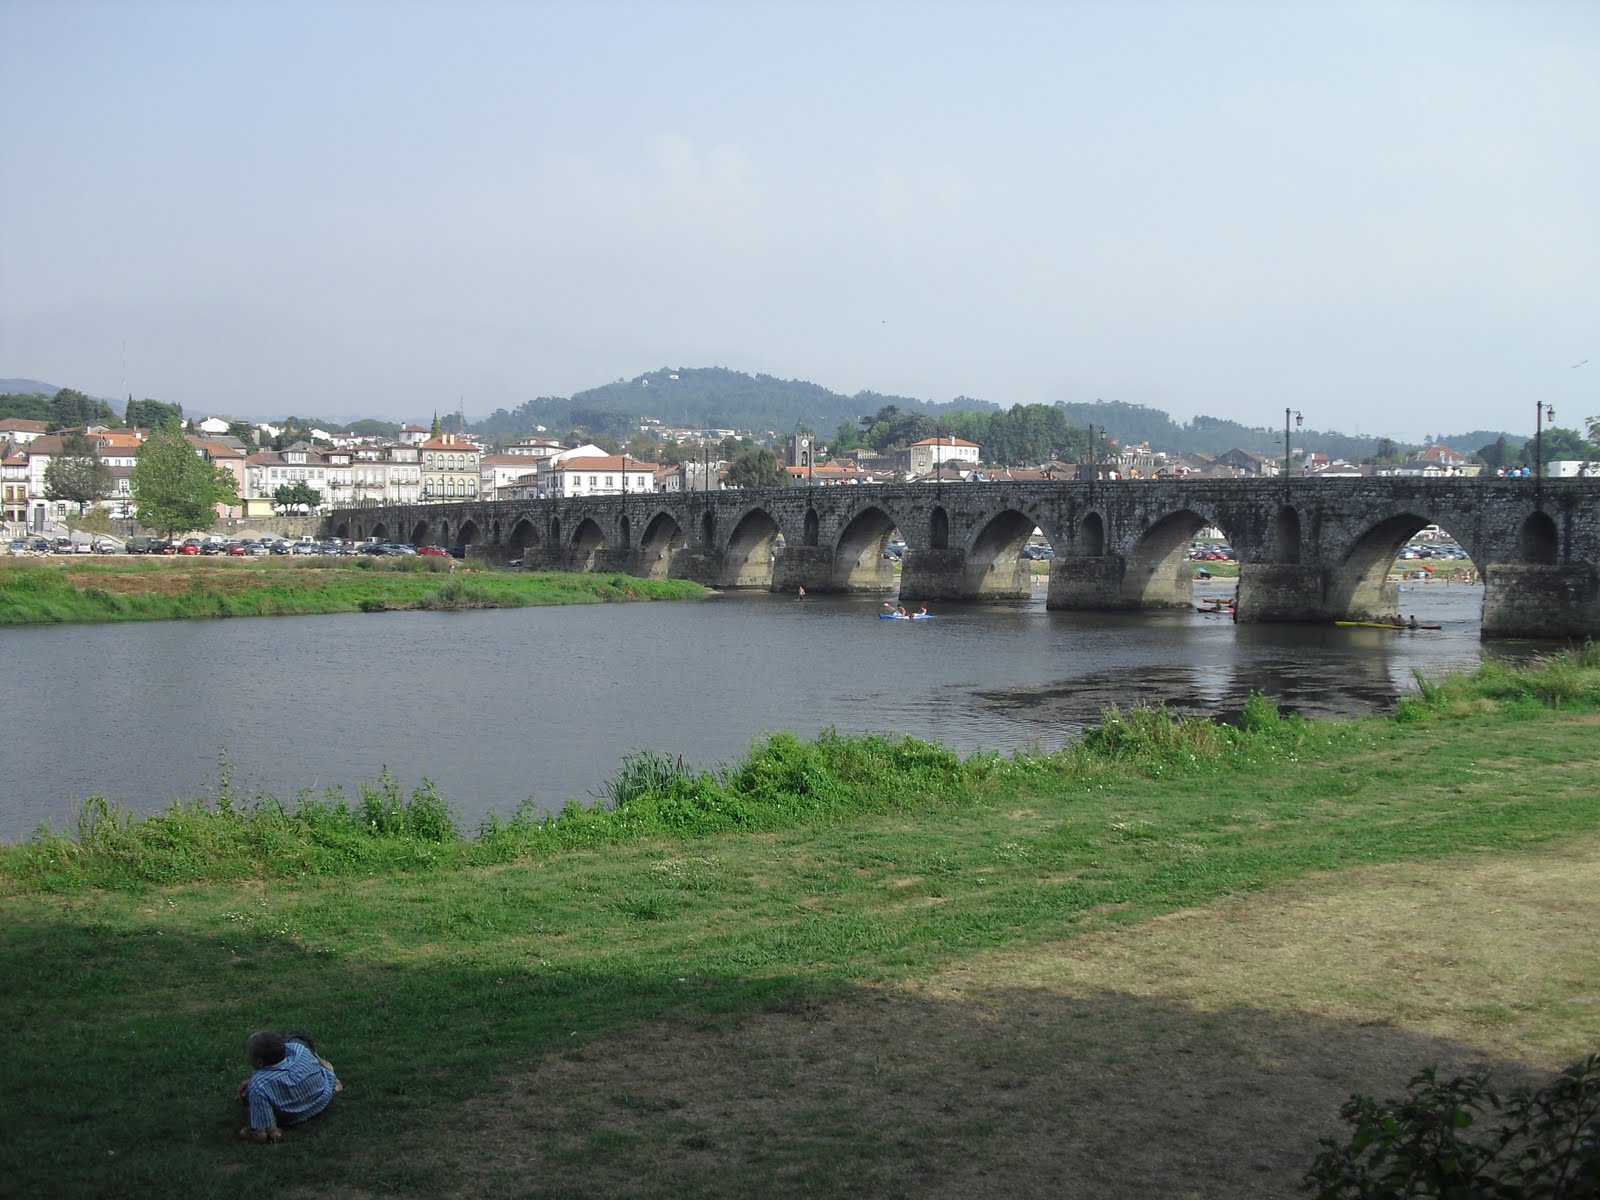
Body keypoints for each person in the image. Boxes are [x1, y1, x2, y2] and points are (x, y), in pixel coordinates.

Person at [235, 1031, 341, 1143]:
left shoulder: (259, 1084)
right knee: (292, 1036)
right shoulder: (300, 1050)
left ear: (260, 1062)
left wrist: (252, 1131)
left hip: (293, 1116)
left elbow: (261, 1134)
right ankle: (328, 1070)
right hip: (322, 1098)